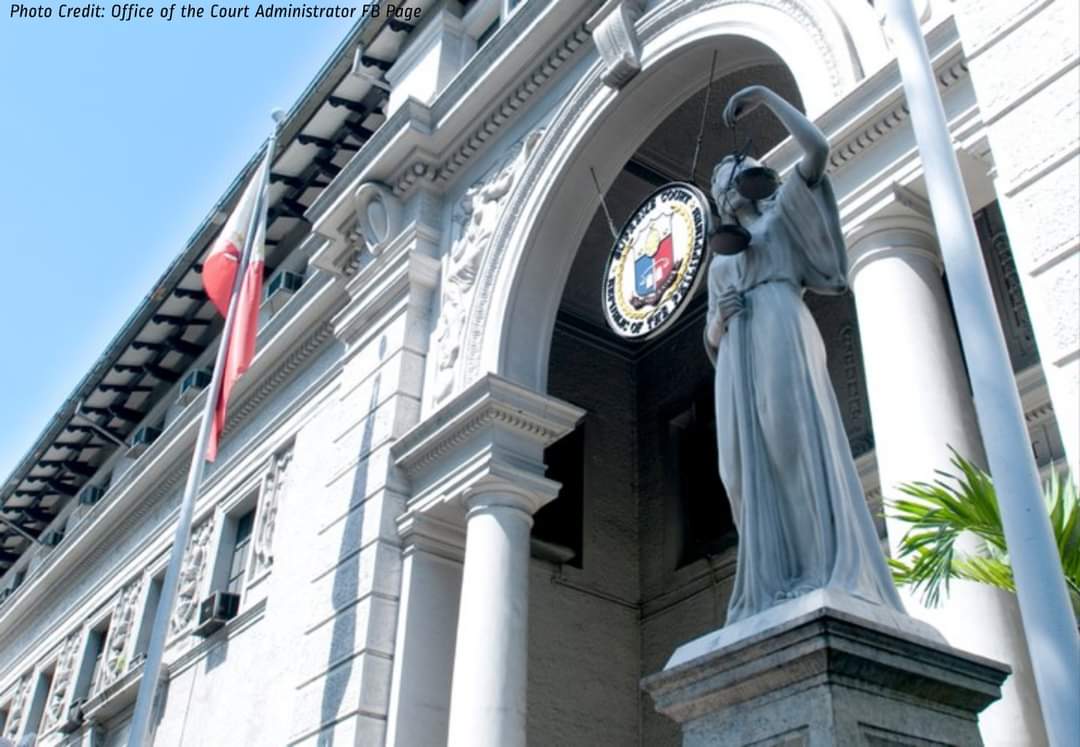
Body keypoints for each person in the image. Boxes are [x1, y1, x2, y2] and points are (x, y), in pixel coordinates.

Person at [705, 85, 904, 624]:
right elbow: (710, 334)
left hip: (779, 324)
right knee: (737, 469)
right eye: (719, 177)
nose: (725, 179)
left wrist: (765, 98)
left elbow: (816, 150)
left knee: (791, 443)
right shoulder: (719, 259)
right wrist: (720, 319)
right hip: (737, 350)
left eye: (733, 170)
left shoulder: (782, 214)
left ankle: (816, 570)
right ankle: (771, 579)